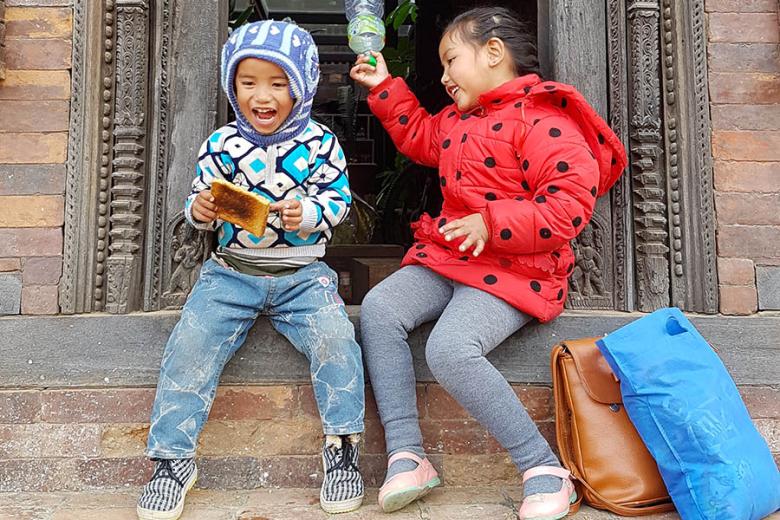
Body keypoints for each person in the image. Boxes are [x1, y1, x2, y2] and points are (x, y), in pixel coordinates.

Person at [350, 7, 627, 519]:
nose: (444, 76)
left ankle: (543, 469)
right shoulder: (455, 121)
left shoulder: (546, 121)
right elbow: (418, 137)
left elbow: (568, 207)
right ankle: (408, 454)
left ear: (494, 52)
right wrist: (385, 83)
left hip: (517, 271)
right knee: (381, 308)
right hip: (451, 258)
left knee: (451, 349)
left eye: (451, 60)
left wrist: (491, 222)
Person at [137, 20, 365, 520]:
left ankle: (343, 449)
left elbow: (338, 202)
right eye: (248, 82)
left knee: (337, 340)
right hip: (230, 272)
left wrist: (307, 213)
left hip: (303, 275)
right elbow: (199, 203)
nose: (263, 96)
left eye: (278, 83)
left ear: (302, 85)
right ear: (231, 86)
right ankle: (171, 461)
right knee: (189, 345)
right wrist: (201, 211)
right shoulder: (220, 144)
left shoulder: (323, 144)